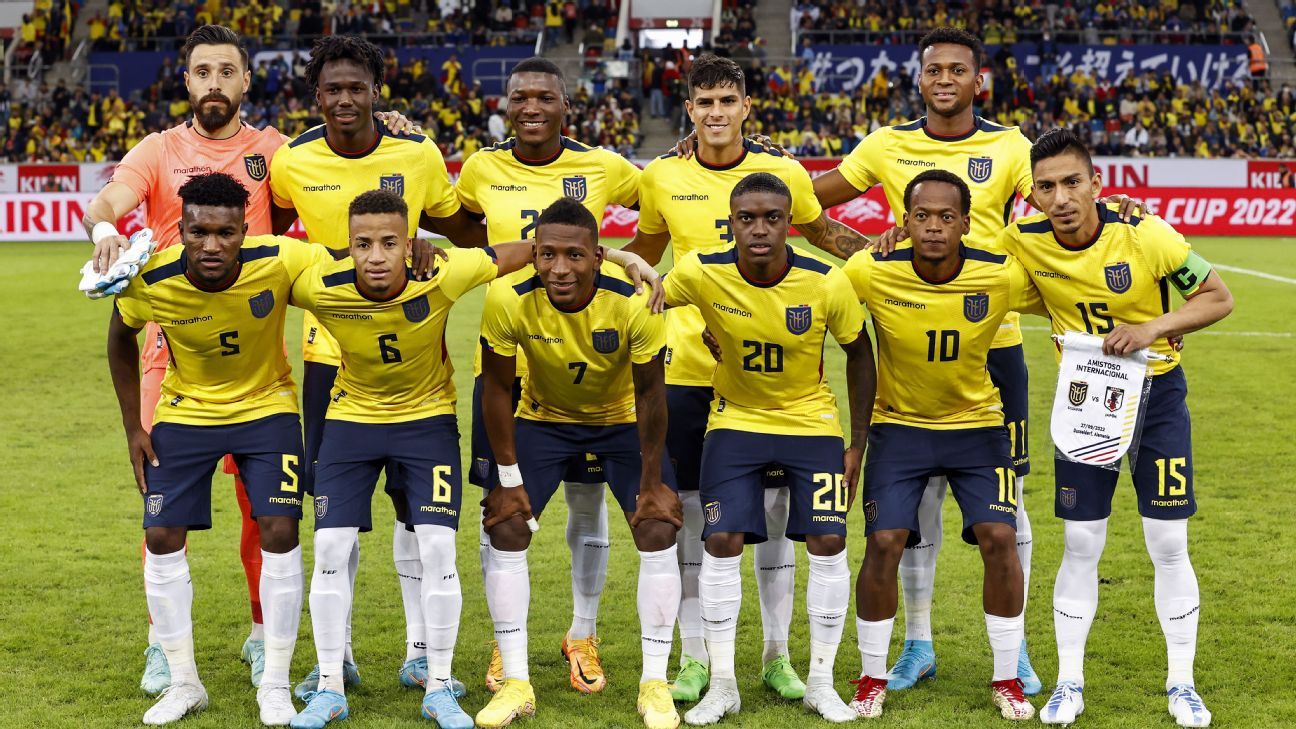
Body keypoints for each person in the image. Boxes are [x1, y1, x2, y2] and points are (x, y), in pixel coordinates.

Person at [81, 24, 419, 695]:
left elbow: (335, 170)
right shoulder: (157, 149)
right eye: (201, 71)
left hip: (259, 362)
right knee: (161, 504)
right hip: (169, 356)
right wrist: (104, 230)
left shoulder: (275, 152)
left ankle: (265, 635)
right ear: (186, 81)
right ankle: (161, 644)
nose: (214, 83)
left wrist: (381, 128)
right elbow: (112, 199)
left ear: (245, 79)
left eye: (226, 71)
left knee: (263, 505)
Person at [811, 27, 1134, 692]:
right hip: (910, 344)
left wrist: (1115, 207)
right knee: (912, 510)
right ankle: (917, 642)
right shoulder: (885, 144)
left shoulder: (1010, 145)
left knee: (1007, 506)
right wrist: (862, 249)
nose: (947, 79)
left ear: (977, 79)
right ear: (919, 77)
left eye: (960, 69)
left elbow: (1054, 204)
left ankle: (1010, 648)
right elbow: (806, 198)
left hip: (998, 346)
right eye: (936, 69)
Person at [626, 53, 871, 704]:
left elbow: (823, 234)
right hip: (685, 374)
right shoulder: (662, 175)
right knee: (696, 520)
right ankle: (697, 657)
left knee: (780, 514)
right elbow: (646, 262)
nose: (714, 114)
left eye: (725, 101)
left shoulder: (783, 173)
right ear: (688, 109)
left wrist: (886, 253)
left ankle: (777, 655)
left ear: (746, 106)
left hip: (774, 382)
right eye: (702, 103)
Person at [286, 190, 560, 729]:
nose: (377, 256)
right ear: (348, 245)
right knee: (331, 544)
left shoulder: (445, 271)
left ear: (410, 242)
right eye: (363, 244)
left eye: (390, 242)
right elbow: (243, 268)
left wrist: (624, 257)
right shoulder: (318, 283)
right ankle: (329, 684)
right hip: (352, 422)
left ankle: (437, 685)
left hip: (427, 422)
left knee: (436, 546)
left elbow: (533, 249)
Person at [267, 34, 488, 698]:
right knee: (335, 514)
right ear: (316, 96)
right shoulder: (292, 160)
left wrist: (426, 239)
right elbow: (274, 236)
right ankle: (340, 656)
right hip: (327, 353)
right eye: (331, 88)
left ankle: (422, 651)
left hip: (412, 356)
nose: (343, 99)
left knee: (414, 509)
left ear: (376, 92)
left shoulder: (417, 154)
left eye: (355, 87)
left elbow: (464, 230)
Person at [998, 128, 1233, 728]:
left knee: (1168, 542)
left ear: (1097, 184)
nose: (1060, 197)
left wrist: (1155, 326)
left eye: (1072, 182)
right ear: (1034, 195)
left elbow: (1217, 296)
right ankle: (1069, 683)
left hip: (1157, 399)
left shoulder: (1144, 233)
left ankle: (1181, 682)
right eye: (1046, 187)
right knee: (1081, 544)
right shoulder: (1021, 242)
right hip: (1085, 405)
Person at [107, 172, 333, 726]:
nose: (212, 245)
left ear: (244, 230)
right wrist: (135, 428)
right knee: (160, 535)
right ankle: (184, 682)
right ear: (179, 229)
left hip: (267, 409)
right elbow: (118, 337)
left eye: (226, 233)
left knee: (279, 529)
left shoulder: (281, 258)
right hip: (187, 413)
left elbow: (354, 265)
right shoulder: (151, 276)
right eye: (198, 232)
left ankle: (274, 683)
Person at [455, 56, 643, 696]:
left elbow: (665, 205)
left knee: (588, 507)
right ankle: (504, 647)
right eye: (519, 97)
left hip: (593, 368)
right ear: (505, 105)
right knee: (500, 509)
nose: (530, 107)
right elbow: (459, 230)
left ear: (569, 106)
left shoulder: (603, 165)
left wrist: (622, 262)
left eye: (544, 97)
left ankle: (581, 633)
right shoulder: (481, 167)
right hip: (507, 366)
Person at [659, 172, 877, 725]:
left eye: (772, 218)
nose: (760, 230)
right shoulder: (702, 270)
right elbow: (649, 294)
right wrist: (623, 263)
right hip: (734, 422)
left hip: (811, 423)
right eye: (747, 219)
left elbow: (860, 353)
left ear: (789, 222)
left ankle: (822, 684)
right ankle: (724, 683)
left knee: (828, 539)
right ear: (730, 222)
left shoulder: (825, 279)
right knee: (722, 539)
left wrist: (856, 444)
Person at [843, 170, 1047, 721]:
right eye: (922, 216)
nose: (934, 226)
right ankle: (871, 677)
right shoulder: (871, 269)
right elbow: (816, 308)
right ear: (904, 222)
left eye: (946, 217)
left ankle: (1007, 675)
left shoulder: (1000, 275)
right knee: (884, 541)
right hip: (898, 429)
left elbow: (1072, 289)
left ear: (965, 222)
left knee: (1001, 535)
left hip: (978, 429)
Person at [476, 198, 681, 729]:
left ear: (598, 257)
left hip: (621, 423)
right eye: (546, 255)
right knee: (506, 525)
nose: (559, 269)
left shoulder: (634, 301)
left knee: (658, 527)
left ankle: (654, 684)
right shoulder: (507, 296)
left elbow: (652, 395)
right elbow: (497, 388)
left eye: (574, 256)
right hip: (542, 419)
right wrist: (507, 478)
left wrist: (653, 481)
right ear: (535, 254)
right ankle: (516, 681)